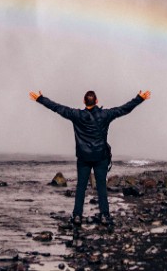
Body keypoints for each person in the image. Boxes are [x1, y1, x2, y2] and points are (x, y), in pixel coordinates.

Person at [28, 88, 151, 228]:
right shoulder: (106, 115)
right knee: (101, 187)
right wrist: (139, 98)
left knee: (81, 187)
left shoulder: (76, 115)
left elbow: (57, 108)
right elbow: (124, 109)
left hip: (84, 157)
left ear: (84, 101)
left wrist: (40, 98)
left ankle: (77, 216)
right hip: (100, 157)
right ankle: (104, 216)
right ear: (97, 101)